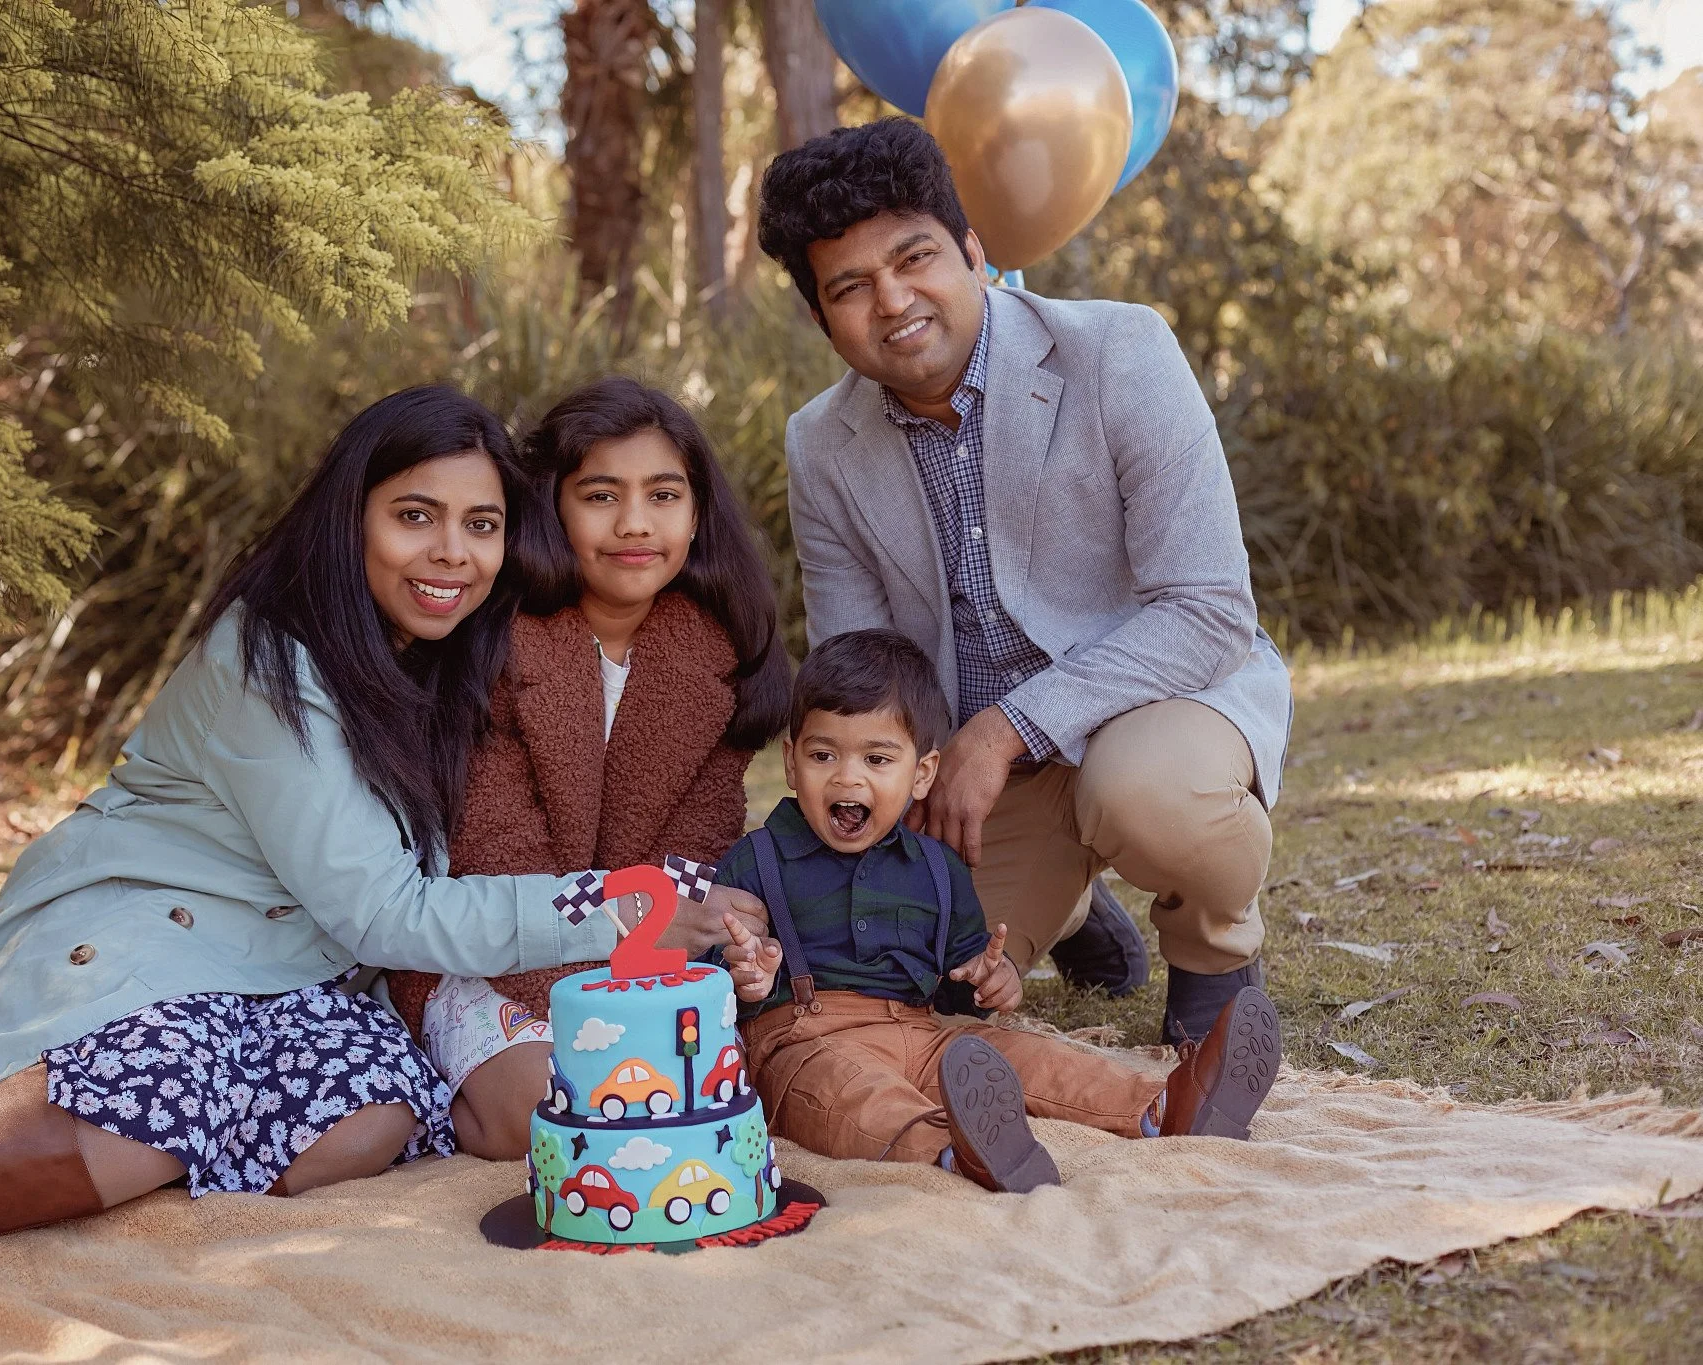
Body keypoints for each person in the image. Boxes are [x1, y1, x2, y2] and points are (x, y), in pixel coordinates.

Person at [0, 385, 765, 1318]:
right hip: (159, 939)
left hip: (293, 971)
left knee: (373, 1116)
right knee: (165, 1091)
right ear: (351, 520)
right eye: (414, 517)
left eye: (479, 526)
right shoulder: (270, 659)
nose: (452, 553)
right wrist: (619, 910)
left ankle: (125, 1158)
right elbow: (385, 909)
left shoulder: (437, 653)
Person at [757, 118, 1294, 1044]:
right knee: (912, 984)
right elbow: (862, 665)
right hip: (974, 766)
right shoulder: (821, 442)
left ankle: (1214, 950)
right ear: (821, 315)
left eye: (915, 257)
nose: (893, 301)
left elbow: (1208, 609)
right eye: (850, 287)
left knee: (1145, 797)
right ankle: (1076, 911)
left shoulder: (1121, 350)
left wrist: (1005, 729)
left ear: (972, 250)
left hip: (1155, 710)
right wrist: (875, 784)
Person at [714, 630, 1282, 1193]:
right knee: (850, 1095)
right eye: (822, 755)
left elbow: (962, 985)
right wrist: (747, 977)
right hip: (802, 1039)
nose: (847, 776)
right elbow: (708, 974)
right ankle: (956, 1151)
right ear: (791, 764)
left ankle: (1167, 1105)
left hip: (919, 1030)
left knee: (1024, 1057)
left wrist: (993, 980)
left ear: (923, 774)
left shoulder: (934, 869)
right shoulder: (756, 859)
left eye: (877, 758)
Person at [384, 377, 792, 1159]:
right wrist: (640, 927)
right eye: (601, 496)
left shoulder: (710, 655)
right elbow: (492, 860)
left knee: (699, 1089)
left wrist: (717, 926)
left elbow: (695, 850)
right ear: (552, 506)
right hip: (486, 953)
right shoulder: (494, 643)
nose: (635, 524)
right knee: (561, 1101)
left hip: (641, 956)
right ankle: (441, 1098)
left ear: (697, 511)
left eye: (664, 495)